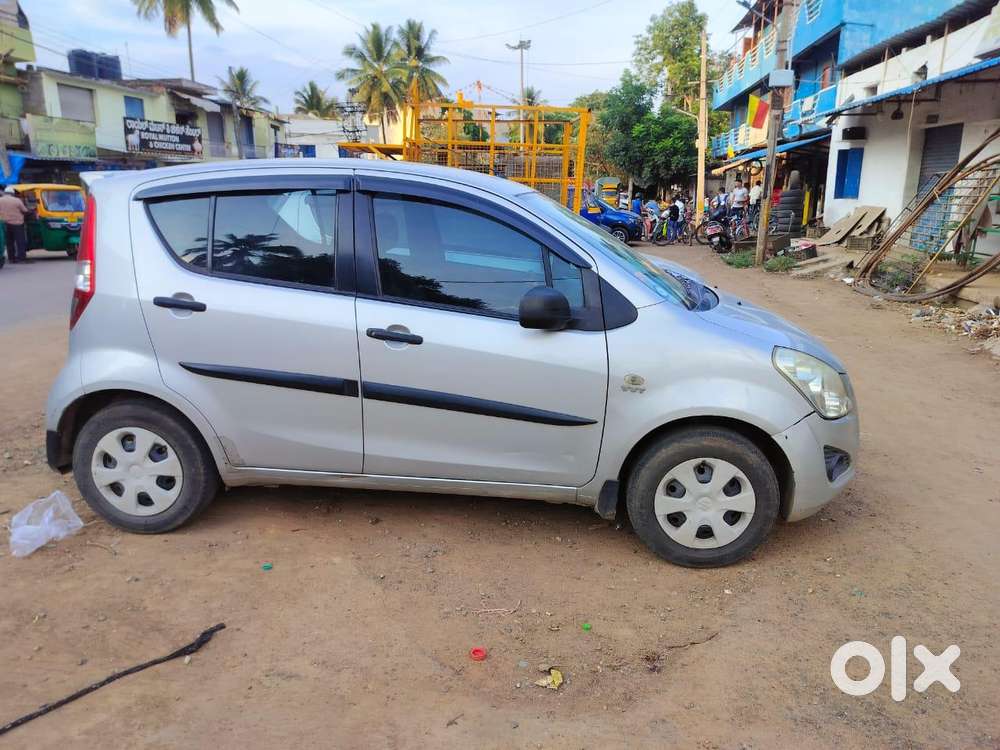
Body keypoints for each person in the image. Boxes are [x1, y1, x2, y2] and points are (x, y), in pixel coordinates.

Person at [0, 186, 30, 264]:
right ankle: (21, 258)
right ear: (12, 193)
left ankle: (11, 258)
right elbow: (25, 210)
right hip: (17, 223)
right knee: (20, 241)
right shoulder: (17, 200)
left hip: (4, 224)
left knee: (9, 242)